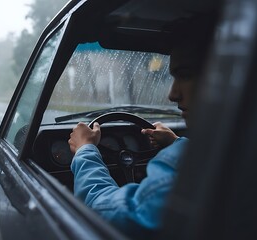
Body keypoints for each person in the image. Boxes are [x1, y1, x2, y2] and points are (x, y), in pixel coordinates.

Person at [68, 16, 216, 237]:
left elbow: (111, 215)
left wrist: (85, 151)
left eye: (185, 75)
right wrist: (176, 142)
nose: (172, 95)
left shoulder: (187, 166)